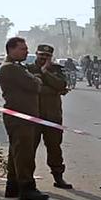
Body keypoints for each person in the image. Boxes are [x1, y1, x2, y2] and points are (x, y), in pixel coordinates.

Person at [0, 38, 48, 200]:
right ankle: (27, 187)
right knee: (24, 153)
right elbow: (35, 85)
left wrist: (35, 79)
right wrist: (36, 80)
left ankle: (13, 186)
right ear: (11, 49)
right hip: (20, 116)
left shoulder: (17, 67)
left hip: (24, 115)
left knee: (16, 153)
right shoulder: (10, 68)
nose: (26, 51)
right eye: (22, 49)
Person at [29, 45, 72, 189]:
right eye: (41, 55)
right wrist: (54, 91)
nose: (43, 58)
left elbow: (61, 84)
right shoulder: (28, 69)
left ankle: (58, 177)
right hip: (33, 115)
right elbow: (32, 88)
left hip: (52, 116)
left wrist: (45, 71)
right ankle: (27, 180)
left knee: (54, 148)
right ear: (36, 54)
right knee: (29, 149)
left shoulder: (56, 70)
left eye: (47, 55)